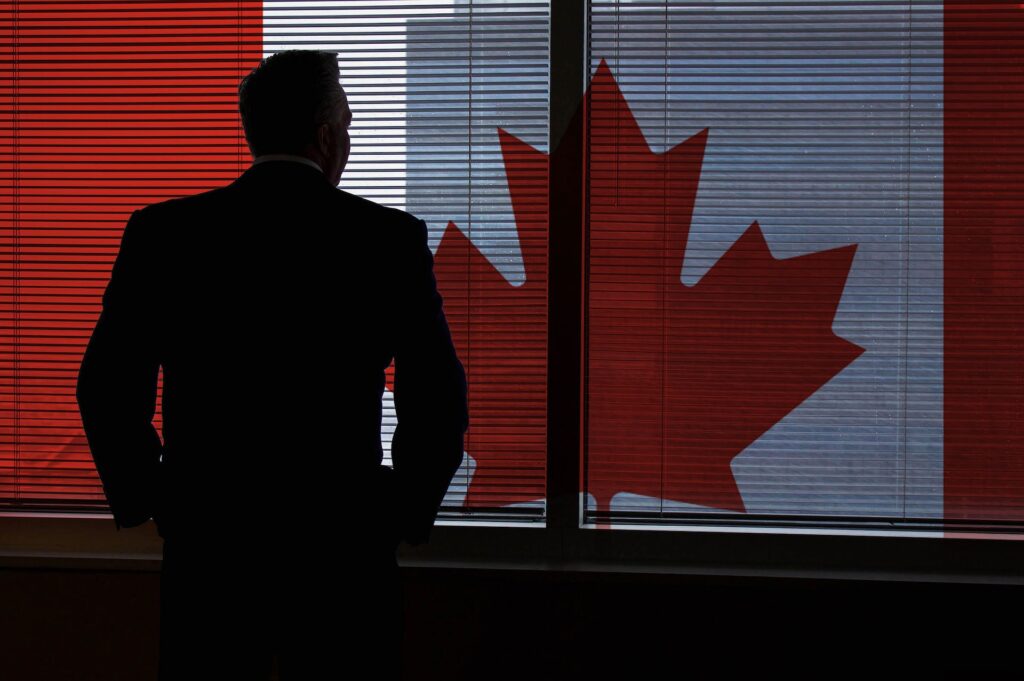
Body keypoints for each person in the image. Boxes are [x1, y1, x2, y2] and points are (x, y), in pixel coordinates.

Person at [75, 49, 469, 680]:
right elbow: (439, 396)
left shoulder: (165, 235)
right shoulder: (386, 241)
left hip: (210, 552)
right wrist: (399, 511)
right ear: (324, 135)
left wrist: (156, 499)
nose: (350, 135)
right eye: (347, 121)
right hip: (342, 555)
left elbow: (104, 387)